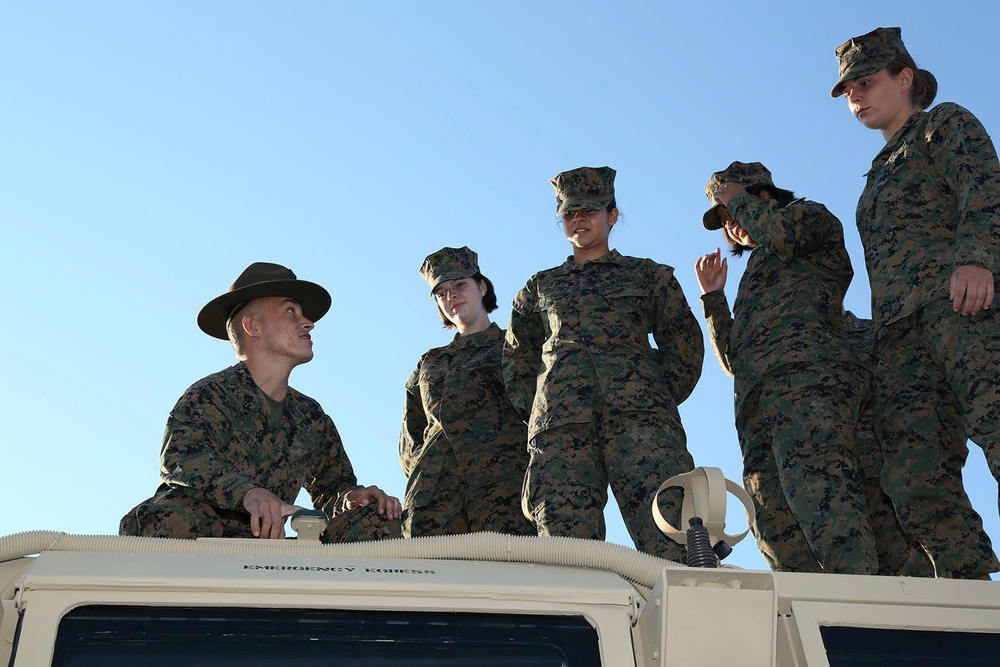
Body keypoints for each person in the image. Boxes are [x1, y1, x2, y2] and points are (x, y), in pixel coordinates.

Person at [832, 27, 1000, 578]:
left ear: (904, 78)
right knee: (911, 476)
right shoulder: (875, 175)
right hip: (900, 341)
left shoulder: (942, 125)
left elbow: (985, 190)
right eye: (848, 90)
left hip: (963, 308)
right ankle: (971, 592)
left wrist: (978, 258)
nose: (856, 96)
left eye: (866, 82)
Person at [503, 166, 702, 562]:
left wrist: (651, 395)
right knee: (565, 549)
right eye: (569, 214)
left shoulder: (648, 275)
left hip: (641, 424)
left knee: (670, 532)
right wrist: (545, 406)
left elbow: (684, 343)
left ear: (611, 215)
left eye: (589, 211)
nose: (579, 220)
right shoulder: (539, 286)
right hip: (560, 430)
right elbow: (516, 358)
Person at [120, 262, 402, 542]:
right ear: (252, 327)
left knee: (375, 520)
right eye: (291, 311)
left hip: (270, 546)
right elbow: (184, 463)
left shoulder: (310, 416)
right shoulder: (209, 396)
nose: (308, 323)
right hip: (203, 539)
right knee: (170, 514)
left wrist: (353, 498)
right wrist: (249, 493)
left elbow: (332, 490)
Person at [695, 161, 876, 574]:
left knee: (822, 497)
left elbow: (782, 233)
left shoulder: (809, 219)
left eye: (732, 209)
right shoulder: (755, 276)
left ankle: (859, 608)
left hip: (808, 379)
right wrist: (714, 299)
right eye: (724, 218)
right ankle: (815, 617)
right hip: (757, 402)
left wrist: (739, 199)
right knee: (772, 522)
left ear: (762, 197)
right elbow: (733, 359)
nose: (731, 224)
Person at [398, 247, 534, 538]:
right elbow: (411, 438)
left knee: (511, 580)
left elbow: (539, 411)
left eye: (460, 285)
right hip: (432, 501)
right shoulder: (429, 362)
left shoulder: (515, 347)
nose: (451, 296)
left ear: (482, 287)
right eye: (441, 292)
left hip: (503, 495)